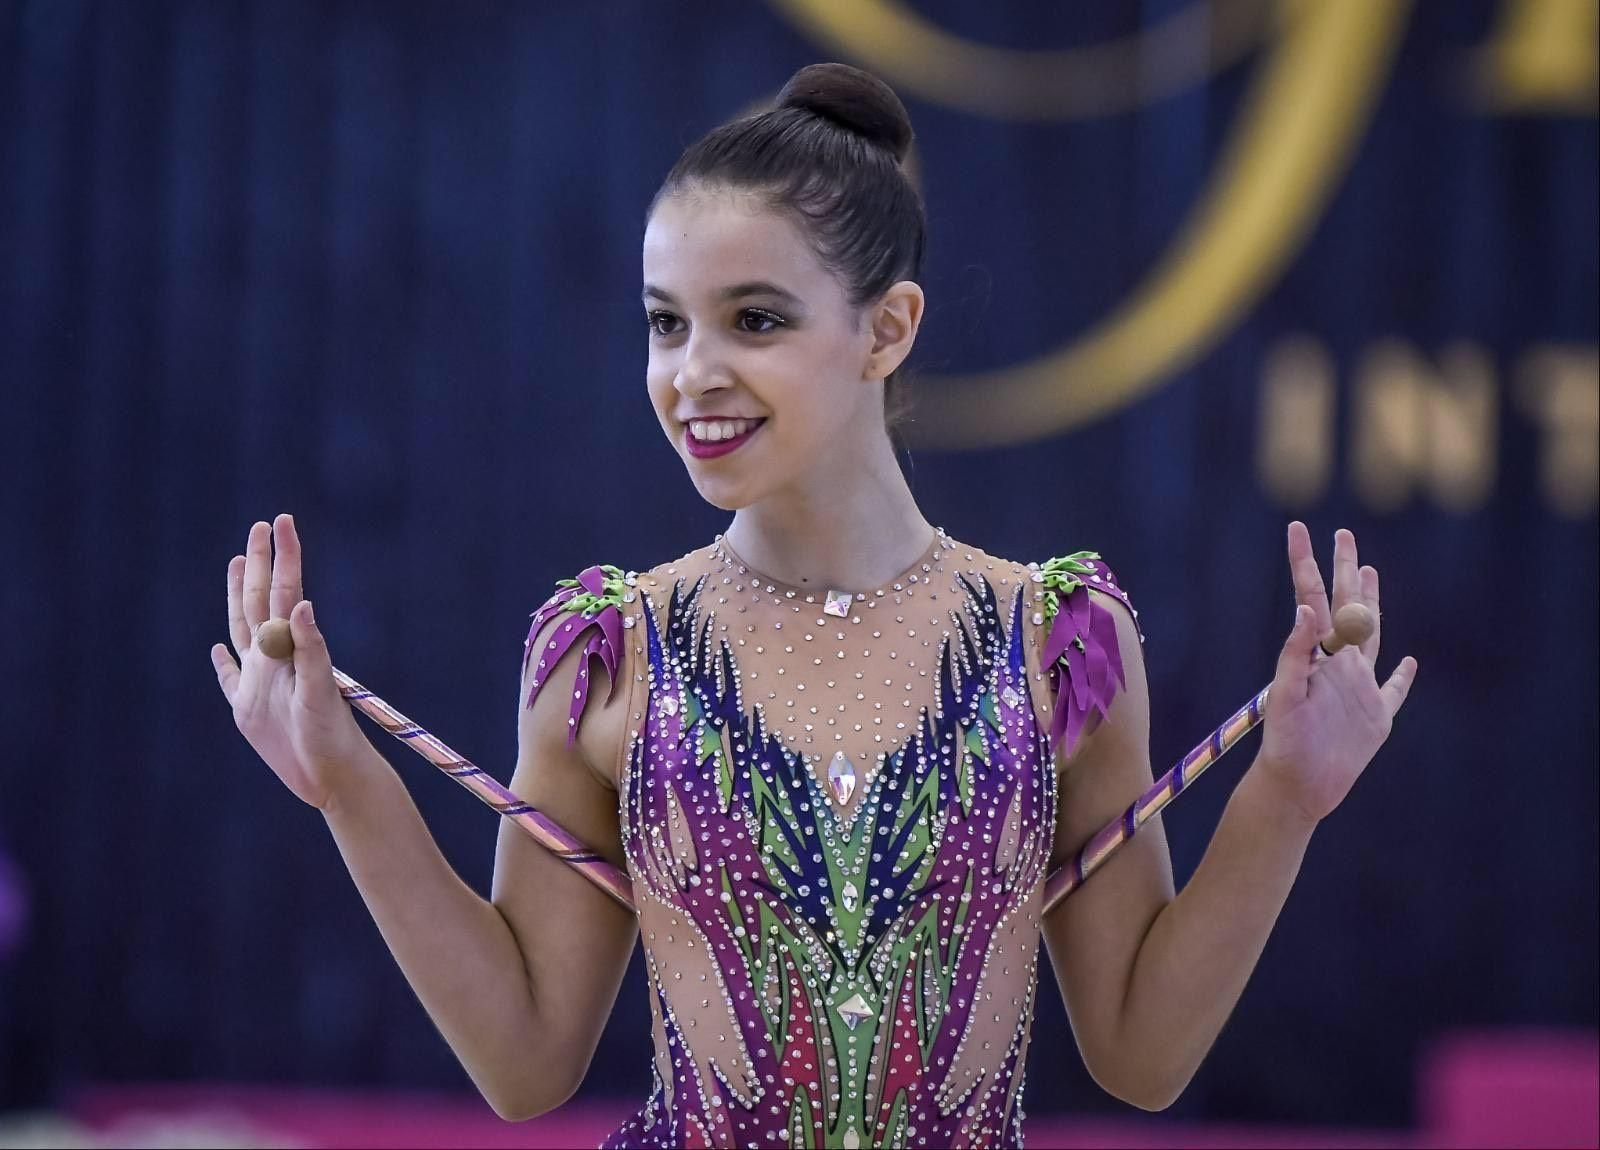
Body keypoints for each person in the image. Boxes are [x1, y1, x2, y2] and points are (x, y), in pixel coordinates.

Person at [210, 62, 1418, 1149]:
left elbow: (1141, 1054)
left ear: (885, 328)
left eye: (756, 320)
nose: (694, 373)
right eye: (664, 323)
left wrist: (1285, 796)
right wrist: (345, 783)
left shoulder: (1056, 642)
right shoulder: (605, 649)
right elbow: (526, 1060)